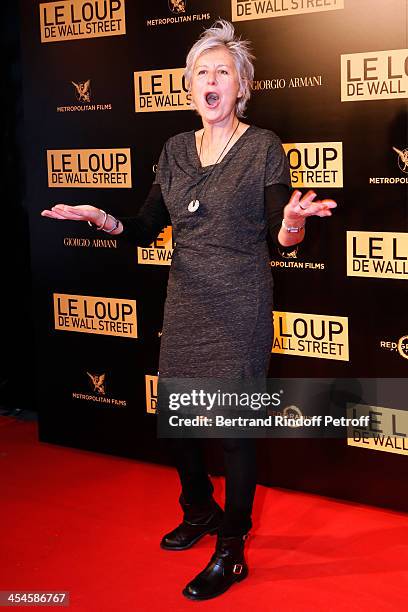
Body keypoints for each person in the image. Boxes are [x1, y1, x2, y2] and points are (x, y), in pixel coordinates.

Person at [41, 19, 336, 601]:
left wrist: (294, 221)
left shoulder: (263, 147)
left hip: (241, 301)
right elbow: (148, 225)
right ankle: (199, 507)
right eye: (202, 71)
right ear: (189, 85)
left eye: (223, 71)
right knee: (176, 420)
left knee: (232, 431)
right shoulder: (175, 150)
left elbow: (283, 229)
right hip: (187, 299)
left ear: (241, 86)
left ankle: (232, 548)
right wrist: (102, 218)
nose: (212, 79)